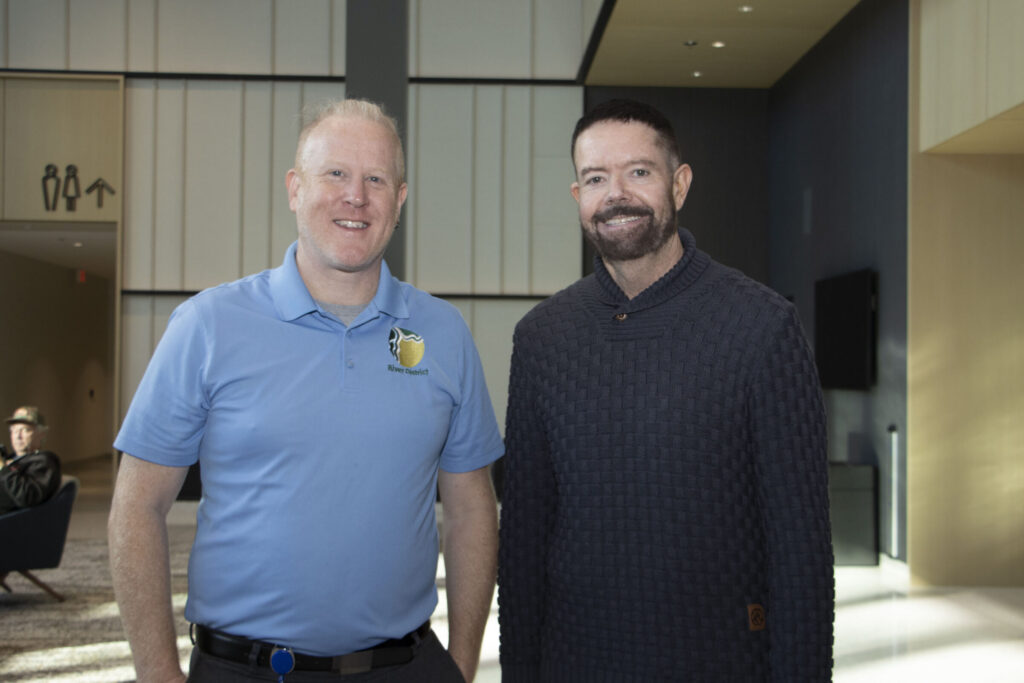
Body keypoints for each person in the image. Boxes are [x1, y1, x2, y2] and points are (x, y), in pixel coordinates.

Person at [109, 99, 504, 683]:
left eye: (376, 179)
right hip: (245, 669)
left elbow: (472, 510)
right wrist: (158, 674)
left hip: (406, 666)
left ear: (399, 200)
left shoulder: (441, 333)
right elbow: (137, 507)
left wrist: (463, 664)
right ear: (295, 189)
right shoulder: (208, 326)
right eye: (336, 174)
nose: (356, 196)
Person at [497, 99, 834, 681]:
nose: (616, 194)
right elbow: (523, 540)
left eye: (639, 172)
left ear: (679, 185)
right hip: (574, 664)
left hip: (723, 663)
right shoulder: (541, 338)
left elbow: (802, 550)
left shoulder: (762, 326)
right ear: (578, 198)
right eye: (596, 178)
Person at [1, 406, 61, 514]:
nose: (18, 436)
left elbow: (28, 497)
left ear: (41, 434)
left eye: (25, 430)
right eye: (14, 431)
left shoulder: (44, 461)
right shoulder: (11, 459)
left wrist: (3, 469)